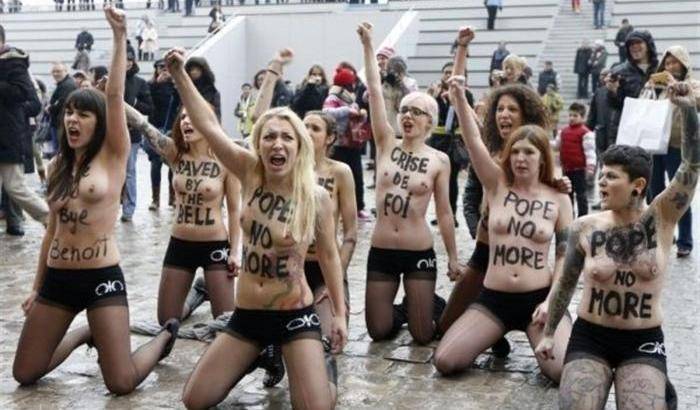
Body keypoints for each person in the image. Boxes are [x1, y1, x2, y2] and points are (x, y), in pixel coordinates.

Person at [164, 46, 348, 410]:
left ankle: (322, 367)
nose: (277, 144)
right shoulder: (249, 172)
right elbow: (208, 126)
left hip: (295, 314)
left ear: (299, 147)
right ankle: (259, 355)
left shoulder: (316, 197)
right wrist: (179, 73)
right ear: (259, 143)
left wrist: (340, 314)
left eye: (286, 138)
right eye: (269, 136)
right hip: (248, 314)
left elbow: (328, 256)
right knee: (194, 400)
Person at [12, 6, 179, 395]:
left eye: (83, 114)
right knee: (26, 373)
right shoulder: (56, 166)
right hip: (58, 278)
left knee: (120, 382)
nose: (73, 119)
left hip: (101, 279)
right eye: (69, 112)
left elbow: (116, 95)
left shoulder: (114, 155)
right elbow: (51, 232)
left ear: (98, 122)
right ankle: (87, 331)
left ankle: (162, 340)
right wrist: (37, 288)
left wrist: (119, 37)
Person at [535, 81, 698, 410]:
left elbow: (692, 165)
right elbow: (566, 283)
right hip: (590, 337)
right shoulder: (585, 226)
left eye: (611, 177)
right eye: (602, 175)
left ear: (638, 185)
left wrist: (689, 109)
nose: (602, 182)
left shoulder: (661, 218)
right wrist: (550, 332)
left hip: (643, 340)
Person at [434, 27, 573, 379]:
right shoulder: (494, 182)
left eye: (530, 153)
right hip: (493, 296)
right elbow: (467, 127)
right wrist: (460, 63)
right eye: (517, 153)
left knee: (562, 373)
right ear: (507, 157)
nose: (522, 159)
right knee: (445, 361)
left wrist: (553, 304)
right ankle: (489, 334)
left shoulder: (559, 194)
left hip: (537, 297)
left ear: (543, 158)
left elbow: (566, 256)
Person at [358, 22, 458, 345]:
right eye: (404, 110)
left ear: (430, 121)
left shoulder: (439, 160)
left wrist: (453, 257)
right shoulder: (386, 142)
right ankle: (407, 307)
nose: (408, 116)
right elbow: (374, 90)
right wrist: (368, 45)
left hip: (418, 251)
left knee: (423, 335)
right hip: (382, 249)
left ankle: (431, 304)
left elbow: (444, 213)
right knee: (379, 332)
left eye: (417, 112)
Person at [124, 87, 242, 332]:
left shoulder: (226, 158)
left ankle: (208, 287)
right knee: (167, 322)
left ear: (208, 123)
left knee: (225, 325)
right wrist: (112, 96)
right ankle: (199, 293)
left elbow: (234, 210)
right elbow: (143, 125)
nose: (186, 121)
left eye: (193, 117)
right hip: (180, 244)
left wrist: (235, 252)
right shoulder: (175, 153)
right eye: (183, 117)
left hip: (215, 247)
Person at [642, 45, 700, 258]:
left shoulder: (692, 84)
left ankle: (685, 240)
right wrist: (650, 87)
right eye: (667, 63)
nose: (671, 66)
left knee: (680, 195)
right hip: (656, 146)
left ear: (684, 63)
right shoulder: (658, 88)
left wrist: (677, 86)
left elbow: (697, 102)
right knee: (655, 192)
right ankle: (662, 234)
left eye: (675, 61)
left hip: (679, 148)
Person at [426, 61, 475, 226]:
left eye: (450, 72)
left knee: (451, 180)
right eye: (445, 72)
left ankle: (451, 214)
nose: (448, 75)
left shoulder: (465, 94)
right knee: (436, 180)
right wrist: (432, 97)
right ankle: (439, 213)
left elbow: (468, 117)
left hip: (454, 143)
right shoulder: (436, 92)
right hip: (438, 141)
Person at [322, 66, 369, 222]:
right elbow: (327, 113)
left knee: (357, 176)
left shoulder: (352, 99)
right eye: (351, 83)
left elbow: (359, 117)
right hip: (338, 145)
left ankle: (359, 207)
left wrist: (362, 115)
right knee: (338, 178)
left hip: (353, 144)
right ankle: (338, 207)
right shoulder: (332, 98)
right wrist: (346, 111)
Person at [607, 30, 658, 140]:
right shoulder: (618, 72)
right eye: (631, 44)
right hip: (628, 129)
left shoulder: (660, 70)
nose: (634, 46)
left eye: (638, 42)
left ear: (648, 45)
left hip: (654, 128)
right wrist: (613, 91)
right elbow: (614, 106)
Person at [121, 50, 153, 222]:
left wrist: (134, 104)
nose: (125, 62)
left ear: (132, 62)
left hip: (131, 135)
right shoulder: (110, 79)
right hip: (109, 133)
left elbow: (149, 107)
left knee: (129, 172)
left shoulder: (139, 83)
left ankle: (128, 209)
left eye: (128, 60)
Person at [146, 59, 179, 210]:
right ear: (156, 69)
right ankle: (155, 199)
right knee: (155, 164)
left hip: (172, 129)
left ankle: (173, 198)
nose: (164, 70)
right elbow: (148, 103)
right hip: (155, 128)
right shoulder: (151, 85)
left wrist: (173, 83)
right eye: (160, 67)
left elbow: (180, 100)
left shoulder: (176, 86)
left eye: (166, 67)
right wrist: (157, 85)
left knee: (173, 164)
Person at [554, 102, 595, 217]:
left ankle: (583, 217)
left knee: (581, 194)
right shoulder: (563, 132)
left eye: (575, 116)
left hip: (580, 169)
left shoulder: (586, 133)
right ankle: (568, 215)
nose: (572, 118)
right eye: (570, 115)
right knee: (568, 194)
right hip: (567, 168)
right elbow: (557, 145)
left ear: (582, 117)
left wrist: (590, 167)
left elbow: (590, 152)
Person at [48, 63, 78, 157]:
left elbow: (62, 103)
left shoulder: (67, 85)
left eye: (58, 71)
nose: (56, 74)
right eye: (54, 71)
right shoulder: (63, 84)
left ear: (66, 71)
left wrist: (50, 108)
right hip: (58, 122)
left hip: (61, 123)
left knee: (61, 153)